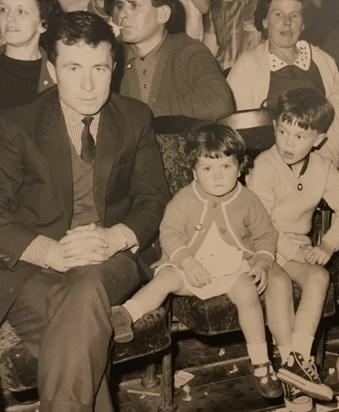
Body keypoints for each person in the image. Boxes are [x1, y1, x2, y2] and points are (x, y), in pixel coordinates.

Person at [0, 10, 169, 412]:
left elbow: (153, 198)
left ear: (115, 66)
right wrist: (50, 252)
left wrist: (114, 237)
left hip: (107, 261)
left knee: (87, 288)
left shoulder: (134, 118)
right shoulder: (16, 125)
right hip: (31, 269)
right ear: (53, 69)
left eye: (99, 67)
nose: (89, 84)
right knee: (79, 341)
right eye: (74, 67)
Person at [110, 122, 288, 400]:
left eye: (226, 167)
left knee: (247, 292)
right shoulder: (184, 200)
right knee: (166, 279)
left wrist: (262, 262)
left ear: (240, 167)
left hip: (232, 268)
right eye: (207, 169)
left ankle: (261, 362)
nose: (217, 177)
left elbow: (266, 234)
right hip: (191, 269)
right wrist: (187, 261)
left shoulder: (248, 199)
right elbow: (169, 234)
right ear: (194, 171)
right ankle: (125, 313)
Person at [247, 88, 338, 408]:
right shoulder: (264, 165)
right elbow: (262, 226)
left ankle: (295, 365)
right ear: (274, 128)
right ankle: (293, 365)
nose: (288, 142)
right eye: (283, 132)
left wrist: (328, 243)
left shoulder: (323, 168)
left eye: (300, 136)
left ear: (318, 139)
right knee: (280, 282)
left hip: (295, 247)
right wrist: (293, 251)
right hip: (261, 245)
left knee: (318, 277)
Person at [227, 0, 339, 169]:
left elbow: (336, 125)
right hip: (266, 167)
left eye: (295, 15)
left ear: (303, 24)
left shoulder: (325, 62)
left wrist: (324, 167)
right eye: (278, 14)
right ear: (265, 22)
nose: (287, 22)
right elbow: (236, 131)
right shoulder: (246, 65)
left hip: (321, 165)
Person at [106, 0, 234, 120]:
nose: (122, 14)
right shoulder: (109, 53)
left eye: (134, 6)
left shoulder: (189, 51)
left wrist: (146, 113)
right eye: (120, 6)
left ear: (163, 14)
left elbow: (220, 101)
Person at [0, 0, 62, 110]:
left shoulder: (56, 75)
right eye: (3, 9)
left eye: (20, 11)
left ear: (43, 24)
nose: (9, 17)